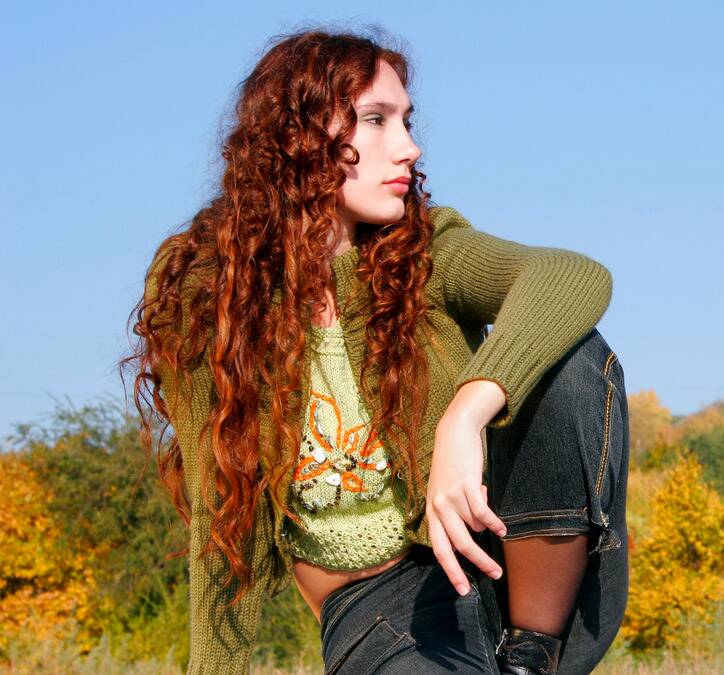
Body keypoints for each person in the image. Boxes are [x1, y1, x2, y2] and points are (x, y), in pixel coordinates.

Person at [123, 27, 629, 675]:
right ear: (295, 137)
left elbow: (571, 276)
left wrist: (465, 414)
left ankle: (531, 658)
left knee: (564, 351)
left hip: (521, 572)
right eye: (374, 120)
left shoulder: (428, 251)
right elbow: (219, 516)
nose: (409, 147)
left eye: (406, 121)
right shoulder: (211, 293)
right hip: (386, 613)